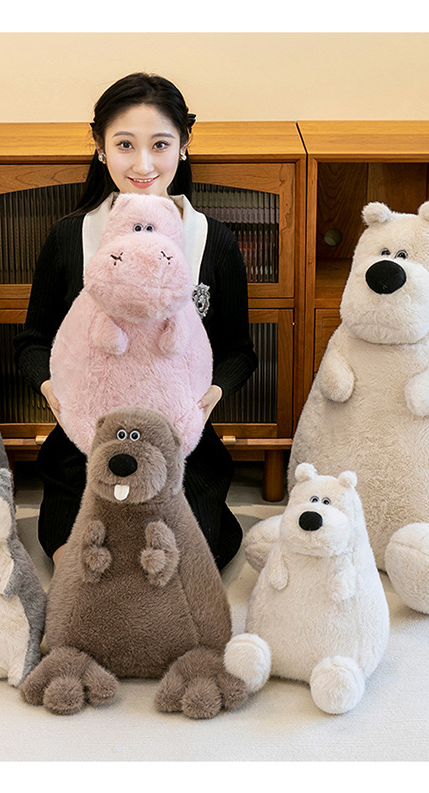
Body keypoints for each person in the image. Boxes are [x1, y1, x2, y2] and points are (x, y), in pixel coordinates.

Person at [13, 72, 257, 569]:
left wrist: (213, 393)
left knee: (186, 558)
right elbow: (32, 341)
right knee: (80, 558)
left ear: (183, 146)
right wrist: (51, 389)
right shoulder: (70, 236)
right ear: (100, 147)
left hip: (180, 440)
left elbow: (239, 351)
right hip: (88, 440)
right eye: (125, 144)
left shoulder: (213, 239)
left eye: (160, 144)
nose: (143, 164)